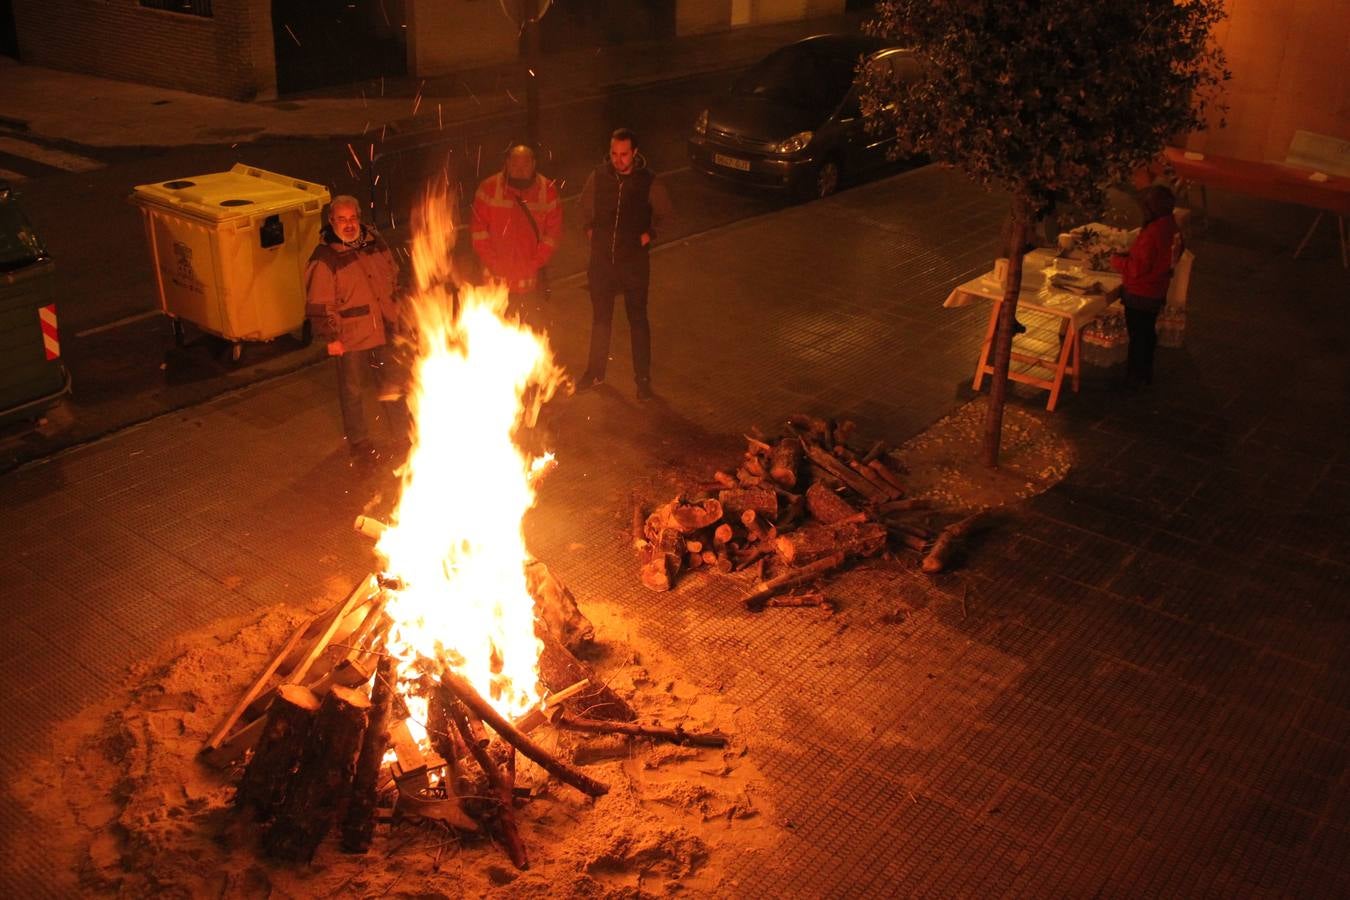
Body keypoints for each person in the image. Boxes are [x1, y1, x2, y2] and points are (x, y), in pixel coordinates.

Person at [305, 195, 402, 464]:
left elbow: (392, 274)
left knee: (391, 384)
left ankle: (402, 436)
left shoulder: (374, 242)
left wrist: (396, 310)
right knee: (353, 391)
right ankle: (360, 444)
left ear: (359, 218)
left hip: (383, 328)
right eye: (342, 219)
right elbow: (319, 303)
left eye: (352, 218)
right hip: (351, 336)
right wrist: (331, 337)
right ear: (331, 221)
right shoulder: (325, 257)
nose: (348, 224)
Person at [577, 127, 673, 401]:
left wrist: (648, 235)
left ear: (635, 153)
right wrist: (589, 230)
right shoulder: (599, 176)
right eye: (614, 154)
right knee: (600, 320)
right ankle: (594, 373)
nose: (618, 160)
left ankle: (643, 382)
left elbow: (666, 215)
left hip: (633, 264)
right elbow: (583, 206)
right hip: (602, 263)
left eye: (624, 155)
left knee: (638, 321)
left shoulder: (648, 182)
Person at [470, 143, 561, 323]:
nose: (519, 171)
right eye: (515, 166)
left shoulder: (548, 191)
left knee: (530, 332)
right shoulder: (488, 189)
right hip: (495, 284)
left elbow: (552, 236)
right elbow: (478, 233)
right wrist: (494, 263)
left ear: (533, 164)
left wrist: (533, 263)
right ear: (506, 163)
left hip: (530, 284)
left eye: (524, 166)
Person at [1110, 184, 1182, 388]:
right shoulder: (1172, 227)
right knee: (1147, 335)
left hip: (1141, 293)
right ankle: (1145, 374)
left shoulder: (1153, 233)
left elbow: (1136, 269)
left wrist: (1116, 261)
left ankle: (1134, 378)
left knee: (1138, 337)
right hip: (1157, 290)